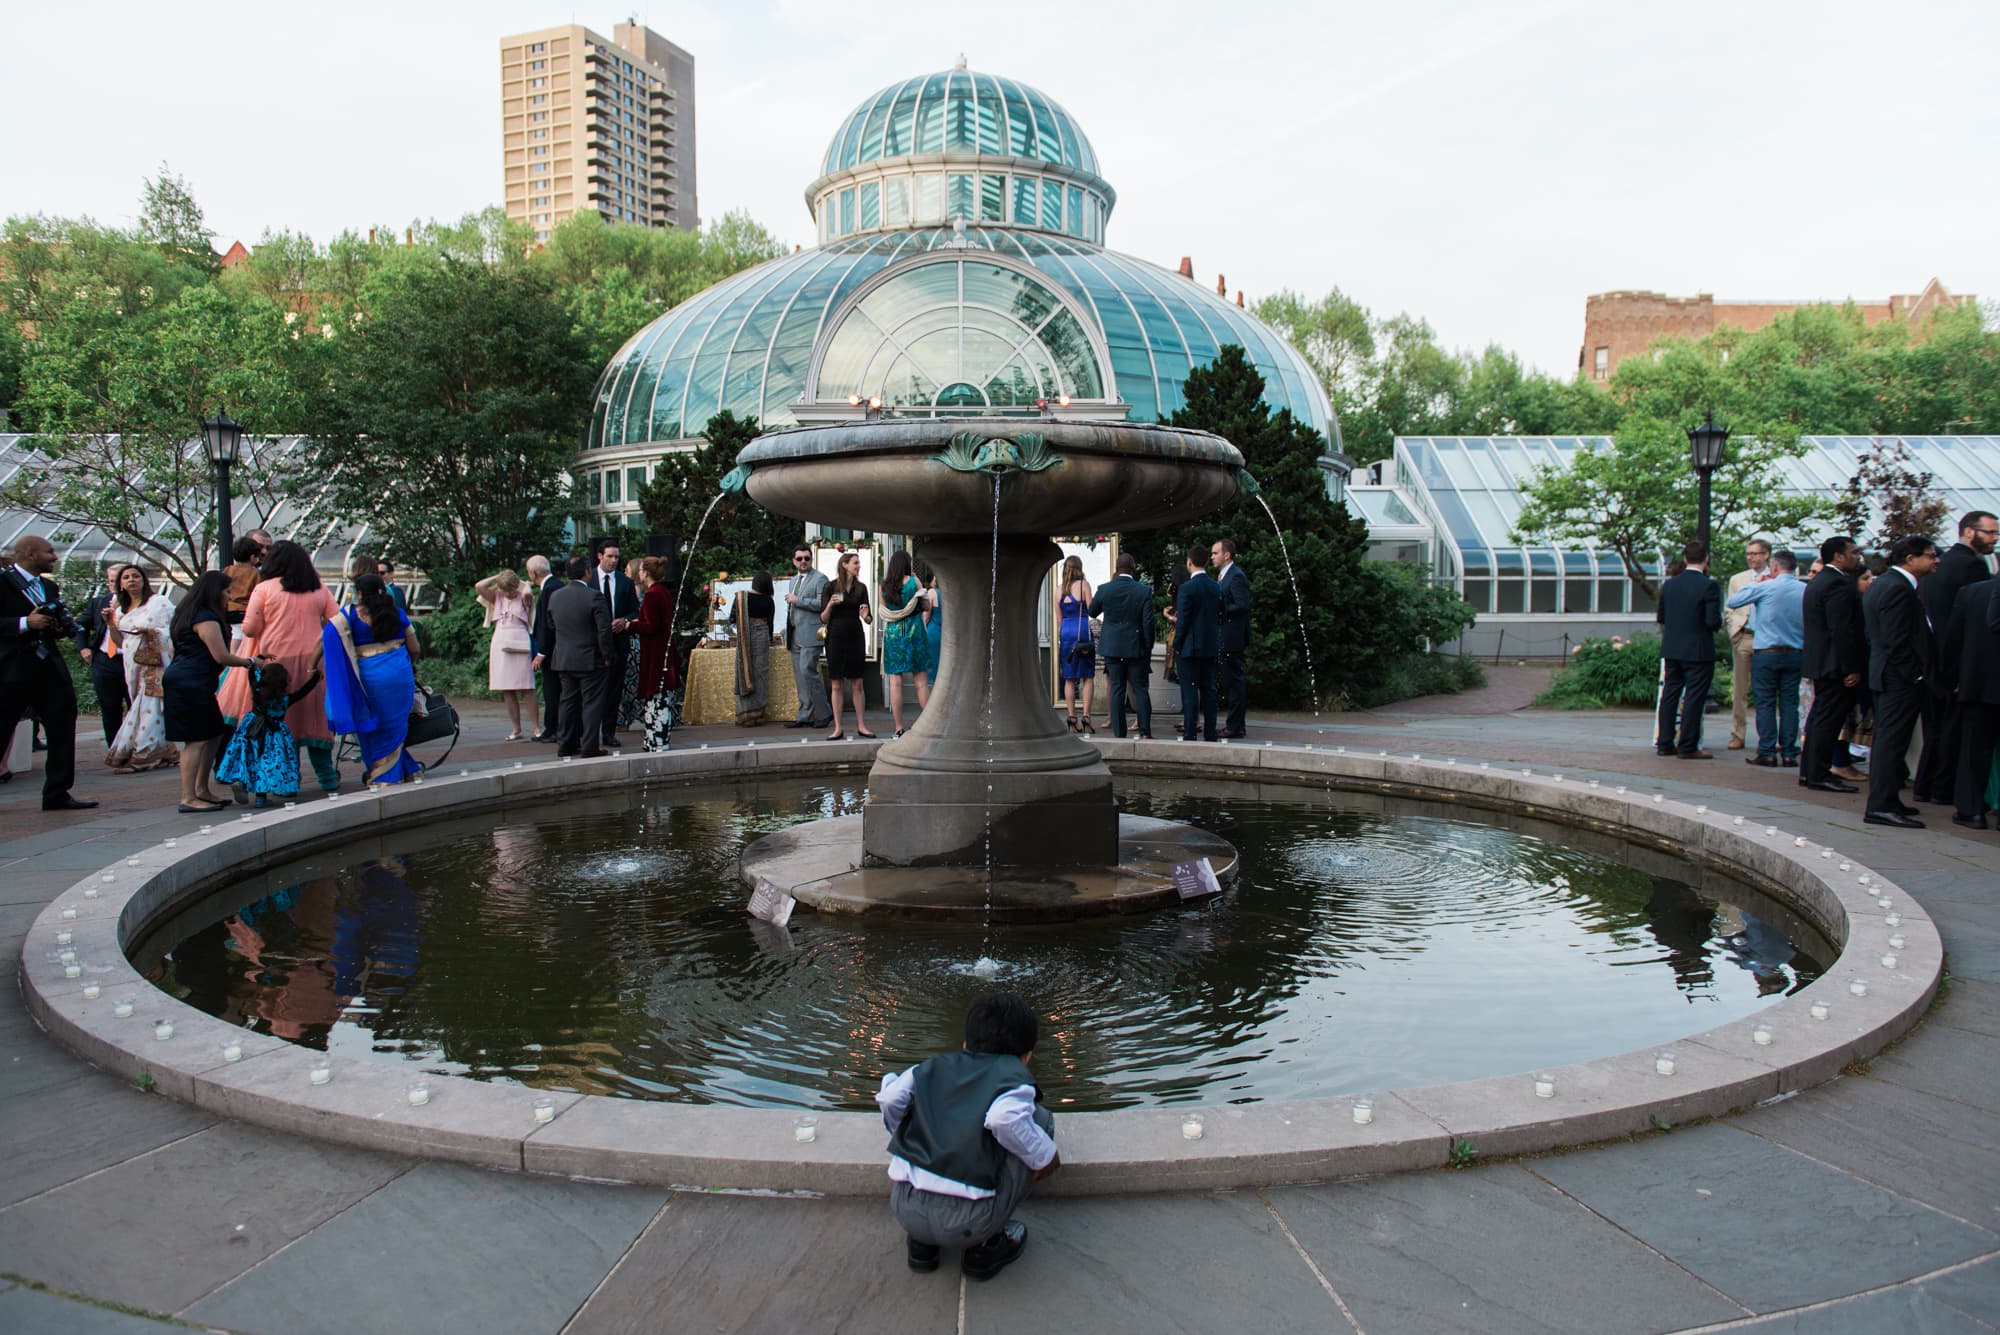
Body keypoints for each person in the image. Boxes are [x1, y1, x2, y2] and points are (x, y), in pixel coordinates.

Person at [877, 992, 1058, 1281]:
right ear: (1026, 1057)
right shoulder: (1014, 1081)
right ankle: (986, 1249)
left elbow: (890, 1099)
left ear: (965, 1044)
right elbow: (1004, 1119)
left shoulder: (928, 1069)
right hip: (969, 1223)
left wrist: (905, 1133)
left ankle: (922, 1246)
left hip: (905, 1207)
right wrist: (1047, 1157)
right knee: (1039, 1121)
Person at [220, 540, 341, 794]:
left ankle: (287, 779)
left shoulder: (264, 589)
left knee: (278, 718)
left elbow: (250, 629)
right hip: (313, 661)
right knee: (314, 716)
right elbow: (336, 621)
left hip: (273, 663)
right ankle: (327, 778)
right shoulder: (318, 587)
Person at [0, 534, 97, 811]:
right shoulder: (4, 583)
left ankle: (57, 792)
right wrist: (24, 623)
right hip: (10, 669)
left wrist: (56, 627)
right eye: (49, 552)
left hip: (48, 667)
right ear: (30, 554)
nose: (55, 558)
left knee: (63, 725)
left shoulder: (48, 587)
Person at [1915, 511, 1997, 803]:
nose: (1995, 539)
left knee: (1937, 729)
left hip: (1936, 659)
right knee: (1956, 733)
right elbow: (1975, 626)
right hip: (1963, 665)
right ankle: (1942, 789)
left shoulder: (1941, 564)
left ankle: (1926, 786)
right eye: (1990, 533)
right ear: (1969, 532)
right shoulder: (1972, 568)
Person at [162, 571, 260, 813]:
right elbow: (221, 655)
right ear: (214, 592)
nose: (228, 597)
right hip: (190, 682)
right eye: (226, 592)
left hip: (190, 679)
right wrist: (251, 662)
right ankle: (188, 797)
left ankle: (202, 790)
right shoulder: (205, 618)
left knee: (214, 733)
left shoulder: (185, 614)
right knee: (195, 740)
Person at [1862, 535, 1943, 828]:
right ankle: (1881, 805)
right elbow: (1896, 640)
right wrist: (1914, 675)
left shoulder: (1884, 583)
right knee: (1890, 741)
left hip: (1887, 674)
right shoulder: (1897, 588)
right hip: (1898, 678)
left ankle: (1888, 798)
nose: (1936, 561)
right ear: (1910, 558)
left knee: (1891, 740)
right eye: (1931, 556)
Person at [322, 574, 424, 786]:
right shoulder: (398, 614)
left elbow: (326, 637)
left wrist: (311, 666)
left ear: (359, 593)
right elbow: (415, 648)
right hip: (400, 675)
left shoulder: (347, 617)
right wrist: (406, 664)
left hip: (369, 679)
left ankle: (383, 776)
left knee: (371, 724)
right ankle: (407, 770)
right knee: (395, 726)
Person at [1725, 550, 1807, 768]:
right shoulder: (1804, 589)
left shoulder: (1765, 586)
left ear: (1775, 567)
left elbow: (1734, 601)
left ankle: (1767, 751)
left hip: (1767, 653)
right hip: (1795, 652)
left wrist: (1758, 582)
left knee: (1766, 703)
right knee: (1790, 704)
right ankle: (1789, 752)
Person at [1800, 536, 1867, 794]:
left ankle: (1811, 771)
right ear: (1838, 556)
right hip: (1835, 664)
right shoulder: (1839, 584)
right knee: (1827, 720)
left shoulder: (1819, 582)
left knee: (1820, 718)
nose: (1857, 557)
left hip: (1822, 660)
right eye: (1853, 552)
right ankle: (1818, 773)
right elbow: (1842, 629)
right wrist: (1851, 666)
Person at [216, 661, 323, 807]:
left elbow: (251, 675)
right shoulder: (284, 699)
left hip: (252, 730)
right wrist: (315, 678)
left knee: (248, 759)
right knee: (266, 765)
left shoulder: (258, 692)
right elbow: (303, 692)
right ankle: (261, 798)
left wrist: (257, 661)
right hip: (274, 735)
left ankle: (242, 784)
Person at [104, 565, 178, 773]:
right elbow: (120, 642)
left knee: (150, 706)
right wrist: (110, 624)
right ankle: (163, 751)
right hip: (131, 662)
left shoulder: (158, 603)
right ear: (120, 584)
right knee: (137, 703)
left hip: (154, 663)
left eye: (136, 576)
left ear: (144, 580)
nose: (131, 580)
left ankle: (143, 754)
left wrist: (151, 632)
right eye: (126, 577)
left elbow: (173, 630)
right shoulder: (121, 610)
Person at [1654, 539, 1722, 760]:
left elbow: (1661, 617)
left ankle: (1664, 742)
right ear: (1706, 559)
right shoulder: (1709, 586)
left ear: (1685, 559)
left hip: (1672, 648)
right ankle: (1688, 745)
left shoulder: (1670, 585)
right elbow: (1712, 621)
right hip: (1698, 650)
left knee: (1670, 695)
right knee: (1694, 697)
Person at [1942, 574, 2000, 829]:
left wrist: (1952, 678)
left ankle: (1971, 809)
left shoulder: (1971, 593)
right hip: (1979, 684)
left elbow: (1953, 640)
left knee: (1974, 749)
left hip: (1978, 684)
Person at [547, 556, 612, 758]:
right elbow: (604, 630)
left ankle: (565, 743)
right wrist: (607, 655)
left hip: (564, 657)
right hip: (590, 658)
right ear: (587, 572)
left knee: (567, 702)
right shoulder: (594, 596)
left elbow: (551, 625)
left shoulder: (555, 596)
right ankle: (589, 745)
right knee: (591, 703)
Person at [1090, 552, 1154, 739]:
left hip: (1112, 646)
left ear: (1116, 569)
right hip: (1136, 647)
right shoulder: (1143, 591)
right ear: (1133, 569)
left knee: (1117, 689)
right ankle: (1144, 731)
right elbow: (1148, 623)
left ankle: (1120, 734)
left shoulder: (1105, 589)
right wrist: (1147, 647)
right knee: (1140, 688)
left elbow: (1092, 611)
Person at [474, 569, 540, 740]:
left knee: (527, 687)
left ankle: (536, 727)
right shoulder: (497, 597)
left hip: (520, 639)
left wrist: (519, 584)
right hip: (501, 640)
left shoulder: (523, 595)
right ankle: (516, 728)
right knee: (507, 688)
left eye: (511, 589)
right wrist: (498, 577)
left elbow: (527, 590)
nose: (508, 593)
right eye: (505, 590)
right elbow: (479, 586)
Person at [876, 550, 932, 738]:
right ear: (907, 564)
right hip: (914, 631)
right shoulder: (913, 582)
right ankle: (928, 726)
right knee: (921, 682)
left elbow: (883, 611)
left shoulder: (883, 586)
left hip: (893, 633)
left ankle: (899, 728)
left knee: (895, 683)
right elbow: (926, 606)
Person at [821, 549, 875, 739]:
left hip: (855, 636)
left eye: (859, 563)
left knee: (857, 682)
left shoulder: (861, 588)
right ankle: (838, 727)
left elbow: (869, 619)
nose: (858, 566)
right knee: (836, 683)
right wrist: (830, 605)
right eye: (855, 563)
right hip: (835, 637)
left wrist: (865, 615)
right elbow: (823, 617)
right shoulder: (830, 587)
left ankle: (862, 725)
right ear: (844, 565)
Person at [1723, 538, 1772, 750]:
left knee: (1767, 691)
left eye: (1755, 553)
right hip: (1744, 636)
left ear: (1766, 555)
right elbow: (1729, 609)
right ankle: (1738, 734)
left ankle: (1769, 737)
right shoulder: (1738, 579)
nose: (1750, 557)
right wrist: (1735, 632)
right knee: (1740, 690)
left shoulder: (1776, 578)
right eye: (1748, 554)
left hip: (1768, 639)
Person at [1174, 543, 1223, 742]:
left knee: (1189, 691)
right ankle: (1211, 733)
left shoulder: (1186, 588)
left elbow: (1184, 621)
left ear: (1189, 562)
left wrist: (1177, 644)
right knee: (1209, 690)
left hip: (1190, 648)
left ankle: (1190, 732)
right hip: (1210, 646)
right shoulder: (1216, 587)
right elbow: (1222, 614)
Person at [76, 565, 129, 747]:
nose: (114, 585)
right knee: (109, 706)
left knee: (135, 705)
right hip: (104, 660)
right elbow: (80, 625)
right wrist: (83, 648)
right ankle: (114, 747)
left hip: (130, 659)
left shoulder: (141, 605)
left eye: (118, 580)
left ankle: (136, 747)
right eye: (110, 580)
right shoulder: (99, 602)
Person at [782, 545, 832, 731]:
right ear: (793, 561)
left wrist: (798, 601)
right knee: (800, 676)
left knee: (807, 671)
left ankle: (825, 713)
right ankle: (805, 715)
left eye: (807, 558)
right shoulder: (793, 580)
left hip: (812, 634)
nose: (803, 561)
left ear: (811, 560)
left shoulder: (820, 579)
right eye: (800, 559)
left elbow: (823, 604)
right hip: (794, 633)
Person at [632, 555, 679, 750]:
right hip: (664, 650)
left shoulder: (652, 595)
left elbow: (651, 626)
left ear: (645, 573)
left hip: (655, 653)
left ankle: (656, 740)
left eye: (641, 570)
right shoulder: (663, 592)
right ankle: (655, 738)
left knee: (656, 697)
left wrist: (630, 626)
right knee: (660, 697)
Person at [1212, 538, 1251, 738]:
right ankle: (1234, 724)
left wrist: (1219, 612)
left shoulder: (1236, 576)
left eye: (1215, 553)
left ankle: (1235, 726)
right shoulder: (1223, 575)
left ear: (1227, 555)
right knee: (1229, 682)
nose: (1212, 557)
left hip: (1232, 637)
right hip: (1225, 636)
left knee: (1234, 682)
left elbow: (1242, 605)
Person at [1055, 554, 1096, 734]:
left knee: (1069, 677)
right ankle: (1086, 716)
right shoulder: (1084, 585)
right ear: (1079, 568)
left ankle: (1072, 717)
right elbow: (1092, 609)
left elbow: (1059, 619)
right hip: (1082, 630)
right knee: (1087, 676)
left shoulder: (1057, 590)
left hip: (1066, 632)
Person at [527, 555, 563, 743]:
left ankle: (555, 727)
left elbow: (548, 624)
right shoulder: (552, 586)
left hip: (554, 650)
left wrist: (542, 652)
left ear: (533, 573)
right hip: (554, 648)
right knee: (551, 689)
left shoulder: (551, 589)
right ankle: (551, 727)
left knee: (553, 689)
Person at [735, 569, 777, 728]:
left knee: (743, 671)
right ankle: (758, 714)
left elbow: (733, 619)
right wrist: (771, 639)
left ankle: (744, 713)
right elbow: (770, 623)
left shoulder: (740, 598)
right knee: (760, 673)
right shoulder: (768, 600)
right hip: (761, 635)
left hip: (744, 637)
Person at [619, 555, 648, 732]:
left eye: (627, 570)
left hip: (636, 641)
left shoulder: (639, 592)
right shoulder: (635, 591)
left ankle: (627, 717)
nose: (624, 573)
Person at [223, 534, 266, 627]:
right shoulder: (255, 573)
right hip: (246, 610)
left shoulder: (227, 570)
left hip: (229, 610)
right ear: (252, 557)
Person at [923, 570, 943, 676]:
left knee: (931, 669)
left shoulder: (932, 593)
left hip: (933, 633)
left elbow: (926, 616)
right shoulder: (951, 595)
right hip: (946, 636)